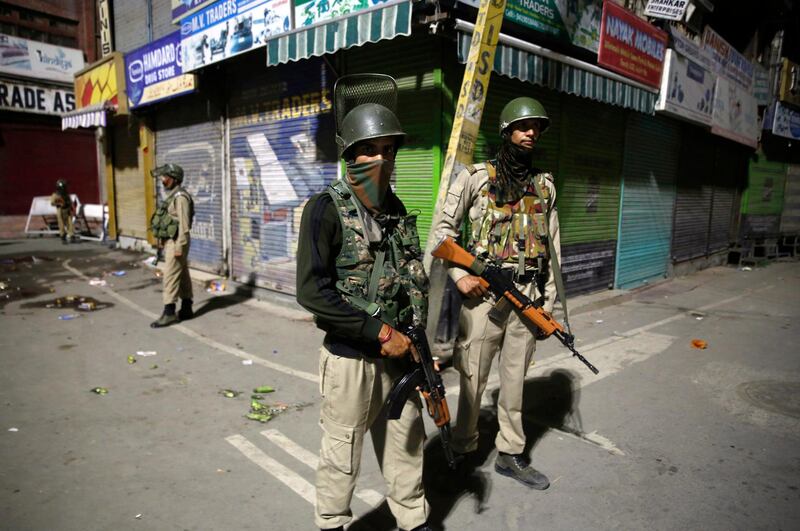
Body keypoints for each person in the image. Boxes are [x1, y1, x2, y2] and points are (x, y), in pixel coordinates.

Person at [295, 76, 432, 531]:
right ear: (350, 155)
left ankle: (413, 519)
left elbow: (411, 282)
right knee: (341, 455)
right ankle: (332, 523)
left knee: (407, 445)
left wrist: (415, 343)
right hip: (352, 360)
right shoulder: (324, 209)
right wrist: (378, 333)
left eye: (389, 150)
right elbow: (313, 293)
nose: (381, 160)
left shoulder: (396, 210)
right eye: (370, 150)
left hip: (401, 360)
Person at [434, 97, 561, 490]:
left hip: (527, 296)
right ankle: (462, 450)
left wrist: (548, 305)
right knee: (472, 379)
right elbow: (442, 233)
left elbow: (554, 249)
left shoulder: (544, 186)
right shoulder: (474, 178)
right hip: (485, 296)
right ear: (506, 132)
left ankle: (510, 451)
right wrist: (459, 275)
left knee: (515, 382)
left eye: (536, 127)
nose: (531, 133)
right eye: (524, 126)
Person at [149, 163, 194, 328]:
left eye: (165, 177)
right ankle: (187, 308)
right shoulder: (174, 196)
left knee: (170, 277)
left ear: (174, 179)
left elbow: (184, 225)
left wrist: (179, 246)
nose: (162, 180)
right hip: (172, 240)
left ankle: (169, 313)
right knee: (181, 275)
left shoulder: (180, 197)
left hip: (177, 241)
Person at [50, 179, 75, 244]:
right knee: (61, 224)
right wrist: (60, 203)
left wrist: (71, 207)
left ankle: (71, 235)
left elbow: (70, 201)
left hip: (67, 210)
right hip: (60, 210)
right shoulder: (55, 194)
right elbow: (52, 203)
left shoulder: (66, 194)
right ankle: (62, 235)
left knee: (70, 223)